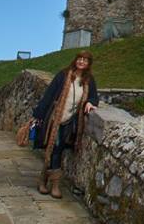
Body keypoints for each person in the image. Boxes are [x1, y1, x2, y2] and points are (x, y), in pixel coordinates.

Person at [32, 50, 99, 199]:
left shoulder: (89, 80)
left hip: (70, 121)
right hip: (54, 118)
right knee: (54, 148)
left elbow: (94, 96)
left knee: (58, 149)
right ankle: (54, 185)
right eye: (79, 59)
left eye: (85, 60)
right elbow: (49, 94)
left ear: (88, 64)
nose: (81, 62)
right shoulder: (63, 75)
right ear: (75, 60)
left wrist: (90, 102)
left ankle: (43, 180)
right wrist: (38, 115)